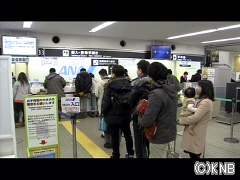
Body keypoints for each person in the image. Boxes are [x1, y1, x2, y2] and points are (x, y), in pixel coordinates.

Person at [139, 62, 177, 158]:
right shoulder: (172, 90)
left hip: (159, 137)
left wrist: (140, 119)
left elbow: (147, 120)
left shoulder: (156, 93)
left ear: (151, 77)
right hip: (170, 135)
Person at [101, 65, 134, 158]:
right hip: (126, 113)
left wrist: (103, 113)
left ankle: (116, 155)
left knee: (114, 136)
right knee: (128, 135)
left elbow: (106, 101)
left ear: (113, 73)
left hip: (113, 114)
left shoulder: (109, 85)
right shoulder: (128, 83)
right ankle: (130, 153)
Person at [179, 80, 214, 159]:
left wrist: (180, 121)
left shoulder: (206, 102)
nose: (197, 89)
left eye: (198, 87)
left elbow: (195, 118)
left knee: (194, 154)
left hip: (196, 132)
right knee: (193, 153)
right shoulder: (203, 100)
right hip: (194, 131)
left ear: (204, 88)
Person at [130, 60, 151, 158]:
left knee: (139, 142)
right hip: (152, 115)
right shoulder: (154, 84)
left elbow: (131, 100)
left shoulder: (137, 85)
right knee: (149, 141)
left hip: (139, 115)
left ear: (141, 71)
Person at [95, 69, 112, 148]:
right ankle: (112, 136)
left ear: (101, 75)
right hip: (111, 104)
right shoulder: (111, 82)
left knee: (103, 119)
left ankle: (104, 134)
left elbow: (96, 94)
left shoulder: (99, 83)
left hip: (102, 103)